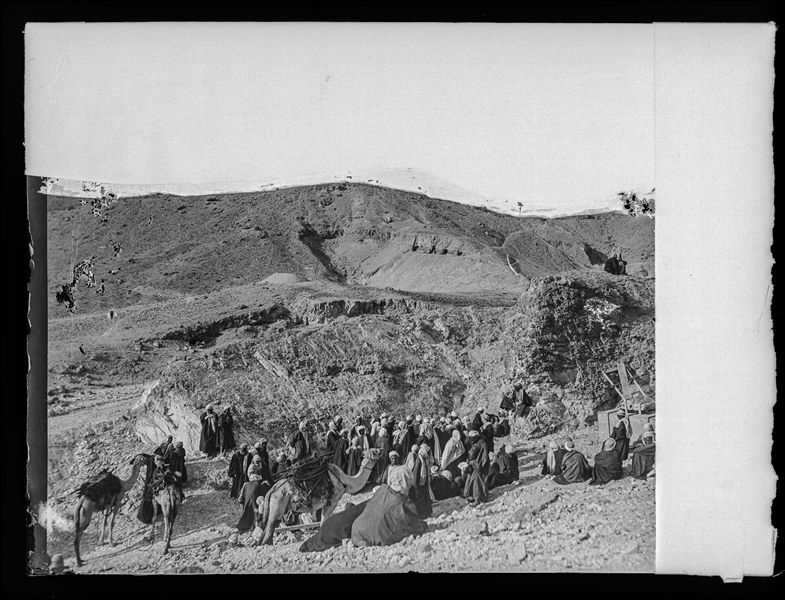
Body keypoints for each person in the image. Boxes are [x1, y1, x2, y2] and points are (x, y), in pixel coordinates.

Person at [350, 452, 427, 547]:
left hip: (356, 529)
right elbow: (411, 523)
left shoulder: (382, 490)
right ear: (407, 480)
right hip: (375, 536)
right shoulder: (404, 502)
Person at [236, 456, 270, 532]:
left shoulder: (245, 484)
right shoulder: (259, 485)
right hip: (255, 504)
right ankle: (256, 527)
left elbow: (241, 497)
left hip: (246, 502)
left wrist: (241, 502)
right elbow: (264, 494)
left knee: (246, 513)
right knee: (256, 515)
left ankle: (243, 526)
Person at [411, 445, 434, 517]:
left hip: (422, 484)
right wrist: (416, 486)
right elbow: (415, 474)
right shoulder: (420, 461)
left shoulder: (423, 460)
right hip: (418, 484)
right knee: (420, 499)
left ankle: (425, 513)